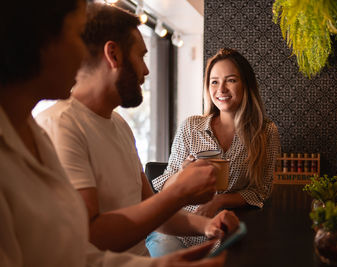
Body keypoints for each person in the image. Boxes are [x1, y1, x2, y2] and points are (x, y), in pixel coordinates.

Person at [0, 0, 231, 266]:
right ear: (114, 55)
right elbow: (89, 237)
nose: (145, 70)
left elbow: (72, 251)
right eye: (76, 35)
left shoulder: (114, 125)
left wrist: (201, 230)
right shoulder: (59, 124)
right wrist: (177, 192)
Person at [148, 48, 281, 255]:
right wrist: (183, 175)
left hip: (224, 231)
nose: (222, 89)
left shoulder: (265, 132)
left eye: (231, 80)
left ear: (246, 84)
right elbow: (164, 186)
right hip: (178, 229)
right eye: (214, 81)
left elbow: (260, 191)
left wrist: (219, 200)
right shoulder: (190, 127)